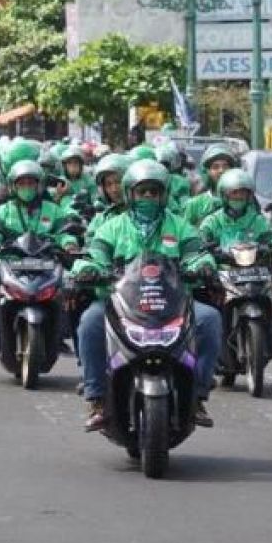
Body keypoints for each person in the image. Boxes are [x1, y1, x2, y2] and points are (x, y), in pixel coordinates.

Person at [71, 160, 221, 431]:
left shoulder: (181, 226)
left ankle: (197, 395)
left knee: (210, 319)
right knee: (89, 323)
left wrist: (202, 265)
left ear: (164, 194)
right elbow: (93, 255)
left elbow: (197, 252)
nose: (148, 197)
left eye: (154, 191)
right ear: (130, 194)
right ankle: (97, 399)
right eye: (142, 192)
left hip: (174, 303)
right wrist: (88, 269)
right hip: (120, 303)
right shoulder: (111, 227)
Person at [0, 160, 78, 359]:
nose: (27, 187)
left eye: (31, 183)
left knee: (73, 284)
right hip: (10, 263)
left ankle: (60, 336)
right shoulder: (4, 211)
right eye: (22, 183)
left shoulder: (52, 210)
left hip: (48, 265)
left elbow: (64, 232)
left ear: (39, 185)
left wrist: (69, 242)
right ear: (13, 186)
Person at [199, 168, 272, 250]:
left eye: (242, 193)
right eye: (234, 193)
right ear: (224, 195)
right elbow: (201, 244)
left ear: (249, 196)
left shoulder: (258, 221)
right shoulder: (212, 222)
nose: (239, 197)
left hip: (254, 261)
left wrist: (263, 248)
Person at [182, 144, 240, 227]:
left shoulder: (242, 201)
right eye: (215, 167)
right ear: (207, 172)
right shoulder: (194, 205)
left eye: (225, 166)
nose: (221, 170)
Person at [154, 142, 192, 211]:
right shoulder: (149, 180)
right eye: (159, 164)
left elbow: (185, 207)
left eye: (165, 164)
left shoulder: (179, 182)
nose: (162, 168)